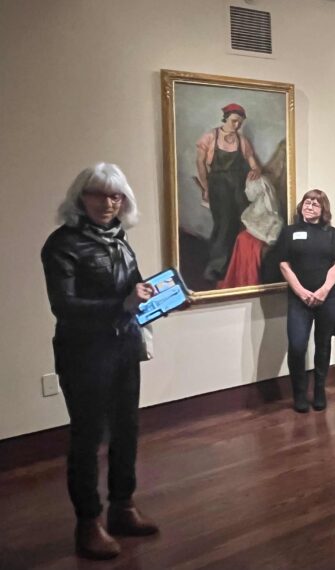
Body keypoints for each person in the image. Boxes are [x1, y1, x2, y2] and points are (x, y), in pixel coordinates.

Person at [41, 163, 159, 560]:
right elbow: (65, 306)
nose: (108, 203)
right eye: (98, 194)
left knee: (127, 430)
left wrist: (164, 300)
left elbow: (137, 290)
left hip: (124, 347)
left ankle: (122, 508)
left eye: (115, 195)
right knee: (88, 438)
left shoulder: (120, 240)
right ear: (81, 197)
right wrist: (122, 304)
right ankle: (88, 523)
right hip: (83, 353)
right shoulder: (62, 244)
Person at [278, 190, 335, 413]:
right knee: (297, 346)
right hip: (299, 300)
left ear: (323, 209)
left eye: (316, 204)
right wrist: (301, 292)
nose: (310, 206)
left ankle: (319, 390)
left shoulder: (331, 233)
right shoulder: (290, 232)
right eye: (307, 202)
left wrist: (324, 291)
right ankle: (299, 393)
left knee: (323, 344)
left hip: (328, 298)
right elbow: (284, 265)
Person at [195, 103, 262, 284]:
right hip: (218, 185)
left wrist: (255, 169)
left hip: (238, 186)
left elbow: (250, 158)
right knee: (224, 225)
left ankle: (236, 266)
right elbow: (200, 163)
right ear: (226, 118)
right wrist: (206, 186)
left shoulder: (241, 140)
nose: (236, 125)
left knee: (242, 222)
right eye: (234, 121)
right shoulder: (211, 136)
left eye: (240, 122)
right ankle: (216, 268)